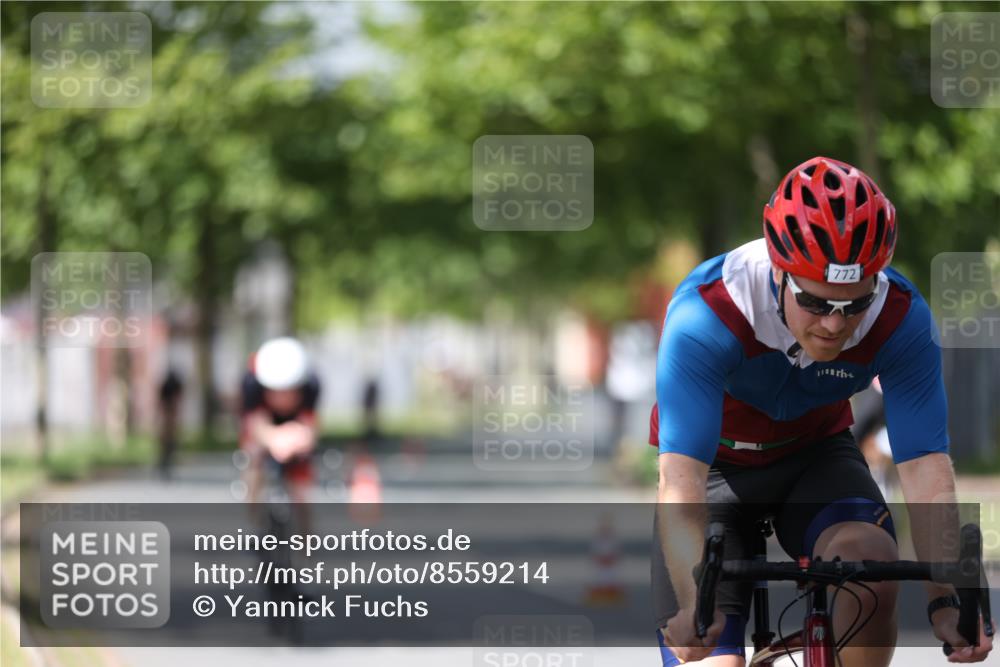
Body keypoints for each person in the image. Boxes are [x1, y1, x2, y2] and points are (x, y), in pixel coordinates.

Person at [649, 157, 993, 666]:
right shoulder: (707, 312)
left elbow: (924, 468)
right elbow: (681, 481)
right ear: (779, 272)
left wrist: (946, 597)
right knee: (710, 652)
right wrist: (688, 601)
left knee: (870, 569)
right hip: (716, 471)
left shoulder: (900, 316)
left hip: (814, 457)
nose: (835, 325)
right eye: (815, 301)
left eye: (854, 304)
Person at [240, 337, 321, 533]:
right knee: (254, 463)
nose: (282, 398)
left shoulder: (311, 385)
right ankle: (254, 524)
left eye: (289, 391)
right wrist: (273, 439)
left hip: (295, 426)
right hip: (266, 424)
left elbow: (310, 426)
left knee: (301, 487)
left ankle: (305, 540)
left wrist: (297, 440)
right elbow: (256, 424)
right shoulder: (252, 384)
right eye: (276, 392)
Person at [157, 367, 184, 480]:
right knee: (167, 438)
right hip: (169, 413)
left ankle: (166, 459)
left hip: (169, 413)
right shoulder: (169, 386)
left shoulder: (167, 385)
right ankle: (165, 459)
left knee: (168, 439)